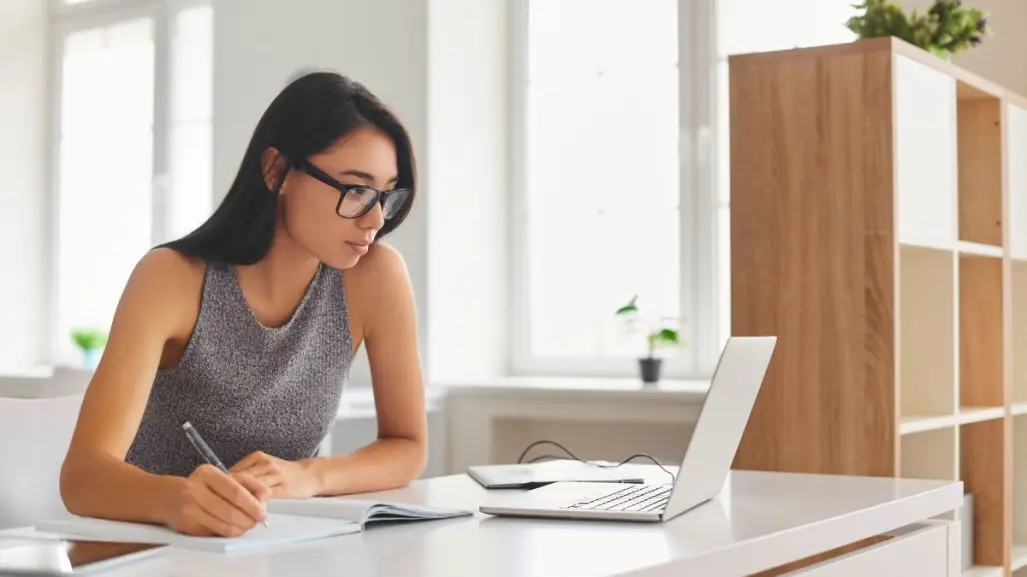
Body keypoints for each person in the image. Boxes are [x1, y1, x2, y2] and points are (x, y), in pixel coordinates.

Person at [59, 71, 427, 538]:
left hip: (268, 550)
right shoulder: (171, 278)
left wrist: (309, 476)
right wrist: (176, 499)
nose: (375, 218)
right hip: (143, 553)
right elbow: (82, 478)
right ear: (276, 171)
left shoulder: (376, 277)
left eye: (385, 194)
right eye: (355, 190)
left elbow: (407, 445)